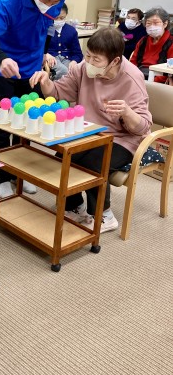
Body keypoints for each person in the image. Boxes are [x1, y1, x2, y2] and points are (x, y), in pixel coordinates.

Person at [30, 28, 152, 233]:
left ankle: (104, 215)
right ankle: (75, 207)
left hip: (123, 138)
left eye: (96, 59)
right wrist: (46, 81)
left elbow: (143, 126)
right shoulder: (82, 68)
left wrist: (127, 112)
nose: (89, 62)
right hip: (89, 132)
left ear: (114, 61)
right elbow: (58, 93)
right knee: (63, 156)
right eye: (88, 55)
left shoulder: (132, 78)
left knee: (94, 164)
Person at [0, 0, 72, 198]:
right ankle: (2, 176)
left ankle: (20, 174)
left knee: (29, 123)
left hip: (32, 70)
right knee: (4, 124)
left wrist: (44, 52)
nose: (49, 4)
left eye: (54, 2)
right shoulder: (10, 2)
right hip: (5, 69)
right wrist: (2, 59)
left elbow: (48, 27)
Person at [129, 7, 173, 82]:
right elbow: (133, 63)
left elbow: (169, 70)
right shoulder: (143, 41)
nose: (152, 26)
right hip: (139, 76)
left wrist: (150, 82)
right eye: (148, 23)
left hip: (158, 80)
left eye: (156, 23)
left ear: (165, 24)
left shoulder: (171, 42)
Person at [46, 3, 83, 80]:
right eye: (56, 18)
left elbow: (78, 53)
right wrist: (46, 54)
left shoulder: (71, 31)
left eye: (62, 18)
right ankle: (56, 87)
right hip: (51, 58)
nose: (59, 21)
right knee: (63, 71)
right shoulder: (46, 28)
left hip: (67, 58)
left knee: (75, 72)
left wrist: (74, 61)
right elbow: (38, 48)